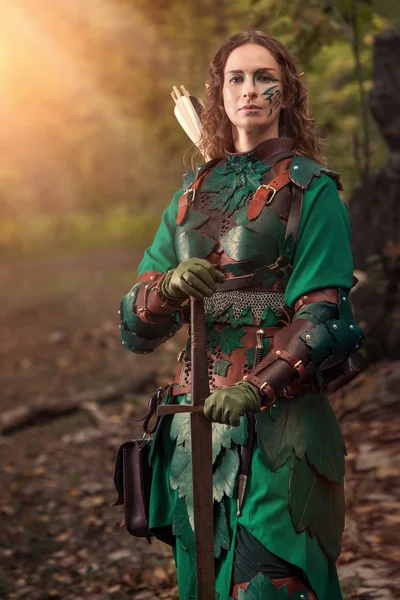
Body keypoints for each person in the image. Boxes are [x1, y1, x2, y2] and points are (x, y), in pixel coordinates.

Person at [119, 30, 364, 600]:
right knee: (200, 583)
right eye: (236, 78)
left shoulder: (313, 189)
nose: (249, 90)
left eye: (263, 78)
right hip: (191, 426)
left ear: (287, 94)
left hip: (284, 427)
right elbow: (135, 323)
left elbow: (326, 316)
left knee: (269, 585)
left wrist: (256, 389)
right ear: (220, 94)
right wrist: (170, 289)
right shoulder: (191, 192)